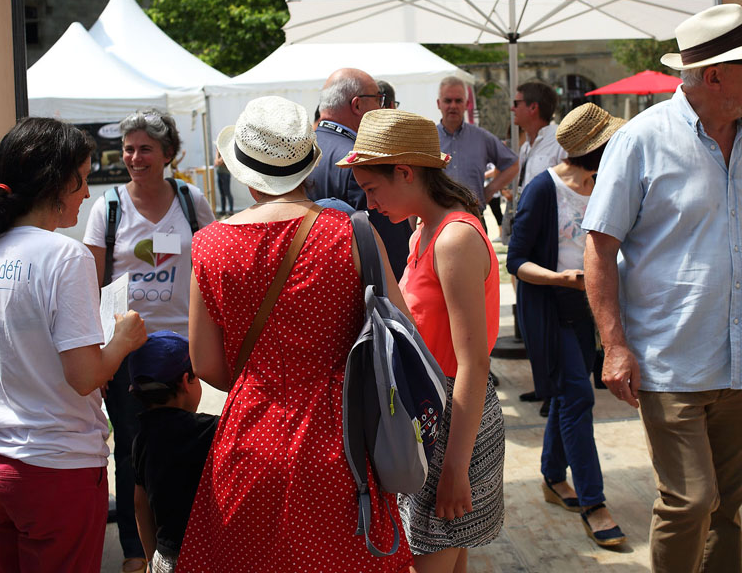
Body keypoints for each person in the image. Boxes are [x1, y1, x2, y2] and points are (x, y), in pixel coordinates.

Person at [582, 3, 742, 572]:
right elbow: (599, 247)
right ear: (714, 74)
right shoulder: (640, 140)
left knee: (727, 508)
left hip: (741, 363)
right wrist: (615, 345)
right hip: (670, 361)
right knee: (691, 500)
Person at [179, 96, 411, 572]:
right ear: (308, 165)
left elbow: (204, 365)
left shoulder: (209, 245)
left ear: (244, 172)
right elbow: (400, 333)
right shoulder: (353, 233)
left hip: (248, 439)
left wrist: (260, 381)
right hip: (340, 440)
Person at [0, 117, 147, 572]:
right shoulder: (65, 256)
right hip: (53, 465)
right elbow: (84, 378)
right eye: (83, 178)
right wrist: (122, 340)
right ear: (59, 181)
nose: (87, 193)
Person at [341, 108, 505, 573]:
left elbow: (473, 362)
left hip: (455, 419)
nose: (370, 203)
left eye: (372, 189)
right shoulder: (426, 231)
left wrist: (455, 465)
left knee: (428, 558)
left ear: (406, 173)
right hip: (438, 413)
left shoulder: (452, 238)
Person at [82, 109, 213, 573]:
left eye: (145, 149)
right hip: (129, 351)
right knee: (132, 447)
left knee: (185, 443)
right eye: (129, 148)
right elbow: (93, 282)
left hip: (183, 348)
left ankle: (188, 539)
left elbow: (209, 268)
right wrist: (102, 351)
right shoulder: (108, 206)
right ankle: (138, 552)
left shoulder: (190, 198)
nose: (134, 158)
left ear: (168, 154)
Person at [507, 103, 626, 549]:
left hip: (588, 310)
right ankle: (594, 502)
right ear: (595, 149)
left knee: (566, 393)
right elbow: (516, 261)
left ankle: (553, 476)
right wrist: (561, 278)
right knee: (577, 395)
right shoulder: (543, 189)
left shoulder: (605, 185)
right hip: (551, 307)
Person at [307, 67, 413, 277]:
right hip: (364, 295)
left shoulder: (298, 152)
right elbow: (392, 248)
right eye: (377, 100)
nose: (380, 108)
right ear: (357, 104)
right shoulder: (362, 159)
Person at [129, 331, 219, 573]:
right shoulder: (211, 431)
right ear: (186, 381)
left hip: (168, 557)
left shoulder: (142, 440)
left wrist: (151, 560)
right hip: (209, 555)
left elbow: (139, 505)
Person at [509, 81, 568, 405]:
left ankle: (555, 391)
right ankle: (543, 384)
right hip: (528, 236)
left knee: (549, 319)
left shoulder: (558, 140)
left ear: (533, 107)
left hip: (550, 240)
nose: (513, 108)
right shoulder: (526, 145)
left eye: (517, 103)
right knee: (531, 318)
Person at [436, 75, 518, 208]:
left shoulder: (481, 138)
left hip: (474, 216)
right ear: (439, 104)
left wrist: (489, 191)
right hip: (439, 219)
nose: (453, 106)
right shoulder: (429, 139)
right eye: (448, 100)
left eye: (458, 101)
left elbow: (513, 164)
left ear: (467, 104)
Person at [213, 146, 234, 216]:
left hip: (225, 174)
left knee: (227, 192)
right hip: (220, 173)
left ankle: (231, 210)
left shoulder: (226, 151)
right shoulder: (219, 152)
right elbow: (216, 162)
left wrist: (218, 160)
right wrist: (217, 153)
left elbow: (219, 162)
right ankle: (223, 210)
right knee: (222, 193)